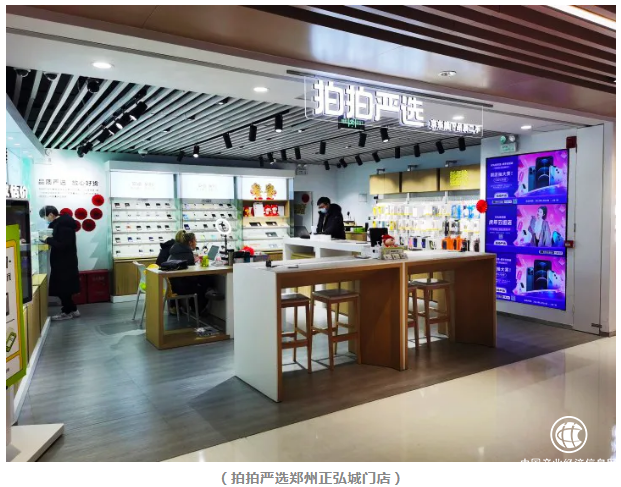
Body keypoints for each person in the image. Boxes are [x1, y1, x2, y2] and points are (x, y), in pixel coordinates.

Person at [39, 206, 80, 321]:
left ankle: (67, 312)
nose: (46, 220)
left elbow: (63, 245)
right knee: (64, 289)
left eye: (45, 217)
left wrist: (47, 239)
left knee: (63, 289)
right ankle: (73, 310)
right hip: (64, 262)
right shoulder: (62, 224)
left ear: (51, 214)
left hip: (64, 263)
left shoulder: (63, 226)